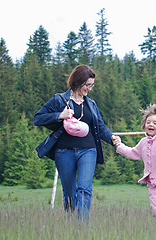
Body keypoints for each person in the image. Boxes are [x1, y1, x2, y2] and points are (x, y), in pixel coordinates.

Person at [34, 64, 118, 221]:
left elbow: (100, 126)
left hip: (88, 150)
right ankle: (71, 225)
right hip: (64, 152)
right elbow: (37, 118)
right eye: (87, 85)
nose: (89, 89)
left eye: (91, 85)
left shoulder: (91, 104)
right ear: (77, 82)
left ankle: (81, 229)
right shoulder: (59, 100)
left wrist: (112, 138)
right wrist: (59, 115)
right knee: (70, 193)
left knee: (84, 189)